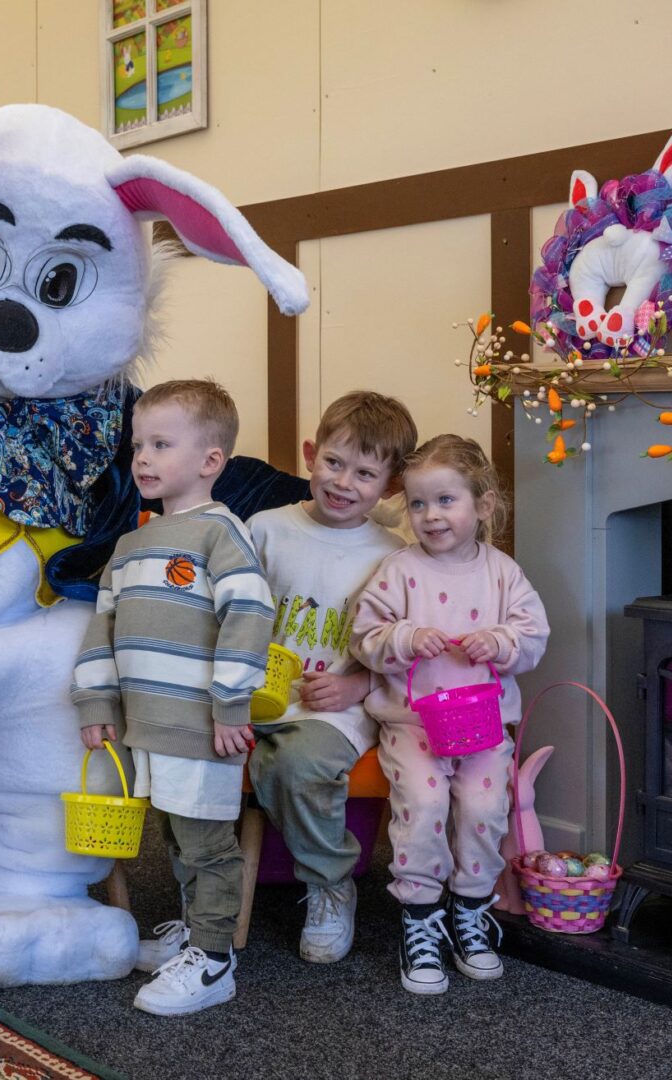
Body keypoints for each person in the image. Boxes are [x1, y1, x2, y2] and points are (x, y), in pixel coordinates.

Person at [71, 379, 275, 1016]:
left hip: (200, 724)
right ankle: (194, 931)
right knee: (177, 834)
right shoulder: (129, 547)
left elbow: (250, 613)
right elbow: (101, 627)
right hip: (146, 725)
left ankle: (215, 960)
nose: (142, 458)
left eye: (161, 444)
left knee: (208, 841)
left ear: (210, 462)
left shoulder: (221, 534)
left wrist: (230, 706)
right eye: (138, 445)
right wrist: (96, 704)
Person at [352, 434, 550, 995]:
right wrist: (407, 637)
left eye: (445, 501)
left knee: (487, 807)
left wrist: (503, 641)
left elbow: (534, 637)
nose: (430, 516)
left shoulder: (503, 573)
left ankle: (470, 907)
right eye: (418, 504)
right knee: (423, 803)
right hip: (413, 725)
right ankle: (419, 920)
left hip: (483, 728)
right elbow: (365, 638)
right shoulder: (399, 571)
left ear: (482, 505)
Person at [244, 391, 417, 964]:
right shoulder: (265, 529)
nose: (344, 482)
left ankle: (328, 884)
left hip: (333, 708)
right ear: (310, 454)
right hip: (252, 697)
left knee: (296, 763)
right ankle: (207, 894)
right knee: (186, 753)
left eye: (366, 474)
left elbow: (401, 647)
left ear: (390, 487)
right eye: (334, 463)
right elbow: (231, 611)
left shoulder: (393, 555)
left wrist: (358, 686)